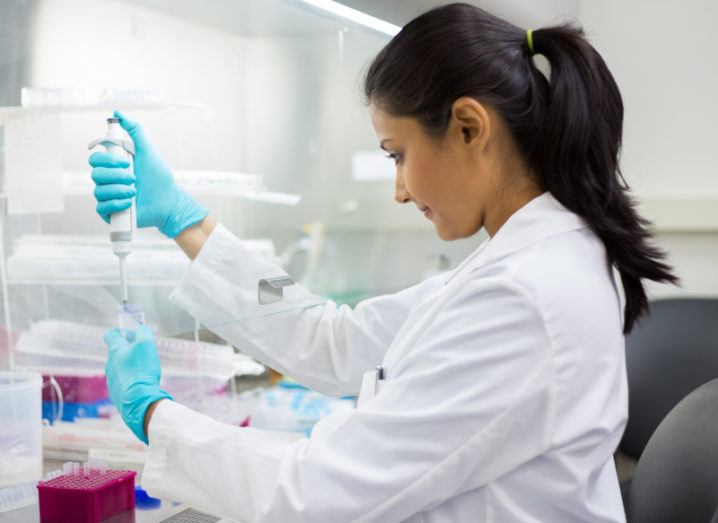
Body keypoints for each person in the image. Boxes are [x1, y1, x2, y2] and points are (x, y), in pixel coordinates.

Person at [89, 3, 677, 522]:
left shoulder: (524, 295)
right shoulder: (526, 261)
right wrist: (186, 222)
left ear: (470, 127)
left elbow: (315, 495)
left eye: (399, 155)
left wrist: (153, 413)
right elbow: (335, 339)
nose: (398, 189)